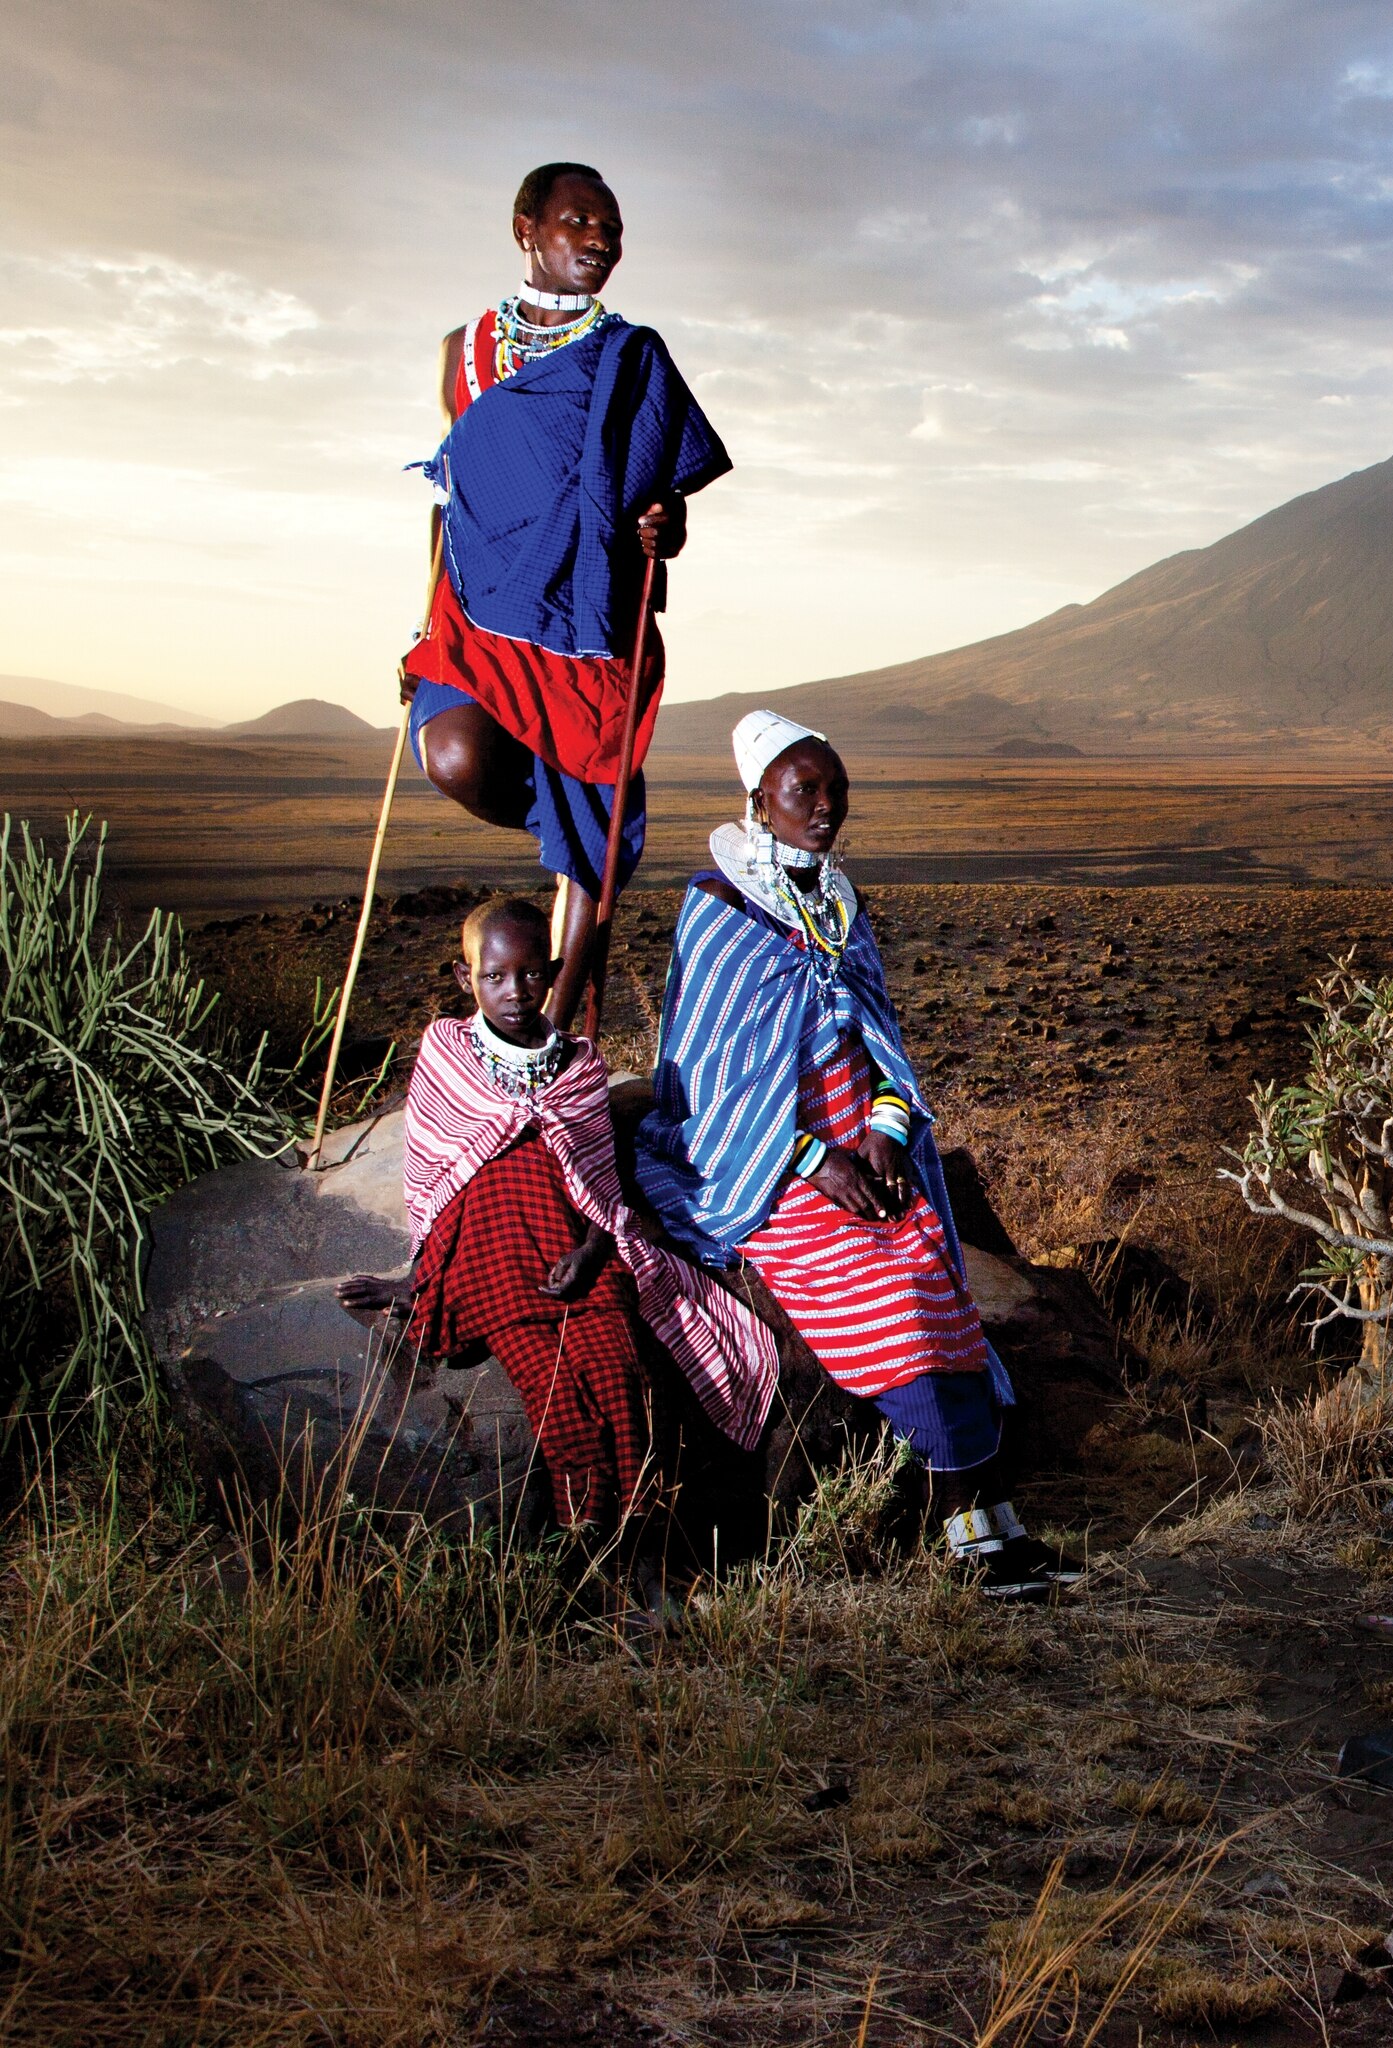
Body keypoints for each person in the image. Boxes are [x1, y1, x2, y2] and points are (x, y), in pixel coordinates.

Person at [637, 712, 1058, 1596]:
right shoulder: (719, 906)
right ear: (759, 799)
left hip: (857, 1141)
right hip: (755, 1160)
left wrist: (887, 1131)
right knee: (895, 1289)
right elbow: (709, 1088)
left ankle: (986, 1521)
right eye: (805, 792)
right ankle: (965, 1529)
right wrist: (810, 1161)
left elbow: (881, 1045)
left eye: (836, 792)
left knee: (930, 1262)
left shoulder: (840, 901)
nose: (825, 808)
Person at [339, 897, 778, 1556]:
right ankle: (589, 1541)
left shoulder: (579, 1065)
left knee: (620, 1379)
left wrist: (594, 1249)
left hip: (568, 1253)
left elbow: (600, 1189)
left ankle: (641, 1558)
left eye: (529, 975)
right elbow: (435, 1175)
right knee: (557, 1398)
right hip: (484, 1257)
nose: (514, 992)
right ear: (466, 980)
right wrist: (417, 1274)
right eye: (494, 977)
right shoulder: (448, 1050)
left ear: (549, 972)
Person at [403, 161, 731, 1017]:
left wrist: (668, 527)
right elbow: (451, 498)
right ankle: (573, 818)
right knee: (455, 756)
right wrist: (416, 623)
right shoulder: (462, 355)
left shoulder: (633, 357)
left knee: (592, 827)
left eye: (611, 230)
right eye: (579, 222)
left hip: (587, 615)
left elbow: (663, 505)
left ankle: (550, 1039)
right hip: (478, 609)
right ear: (526, 229)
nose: (599, 240)